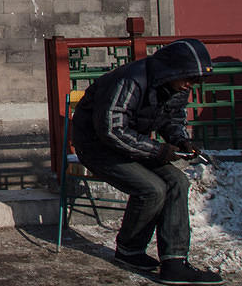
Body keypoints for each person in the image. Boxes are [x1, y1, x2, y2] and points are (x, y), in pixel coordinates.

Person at [71, 38, 222, 286]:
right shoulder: (130, 81)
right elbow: (111, 130)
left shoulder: (176, 87)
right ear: (172, 70)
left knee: (178, 181)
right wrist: (158, 150)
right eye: (188, 78)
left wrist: (181, 141)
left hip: (133, 145)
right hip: (97, 147)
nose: (189, 85)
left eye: (194, 80)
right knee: (152, 189)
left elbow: (172, 119)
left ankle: (174, 262)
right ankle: (129, 249)